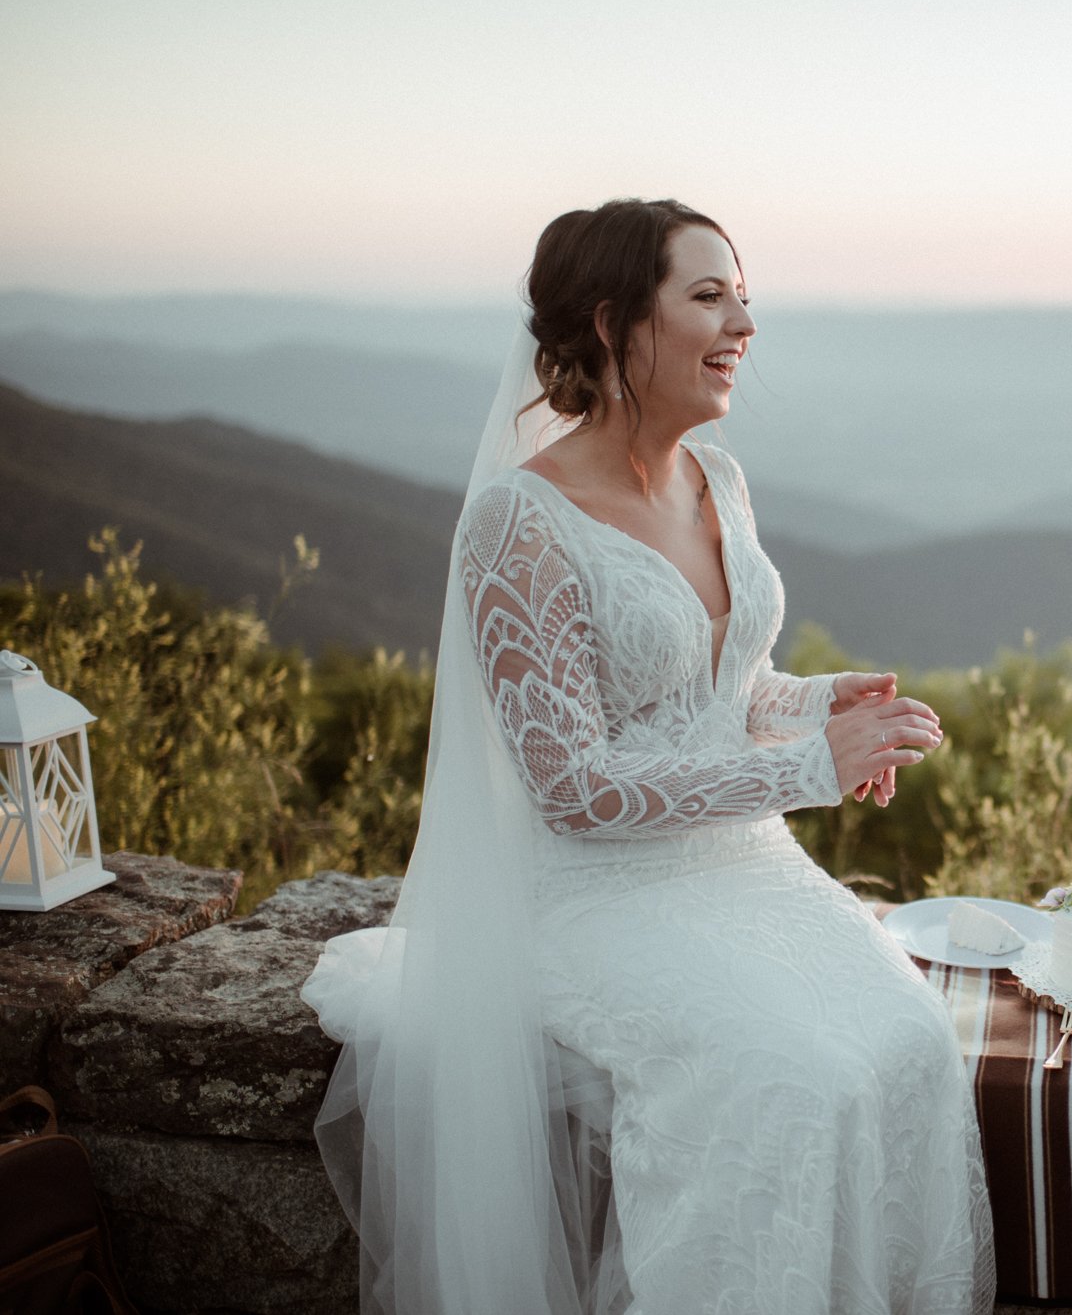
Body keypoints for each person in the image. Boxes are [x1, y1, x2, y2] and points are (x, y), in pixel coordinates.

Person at [302, 198, 995, 1314]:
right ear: (614, 321)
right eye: (709, 295)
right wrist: (811, 767)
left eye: (744, 297)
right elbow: (569, 786)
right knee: (791, 1083)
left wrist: (826, 705)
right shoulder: (517, 524)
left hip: (743, 866)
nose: (743, 325)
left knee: (912, 1038)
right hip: (594, 896)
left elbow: (720, 691)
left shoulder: (716, 478)